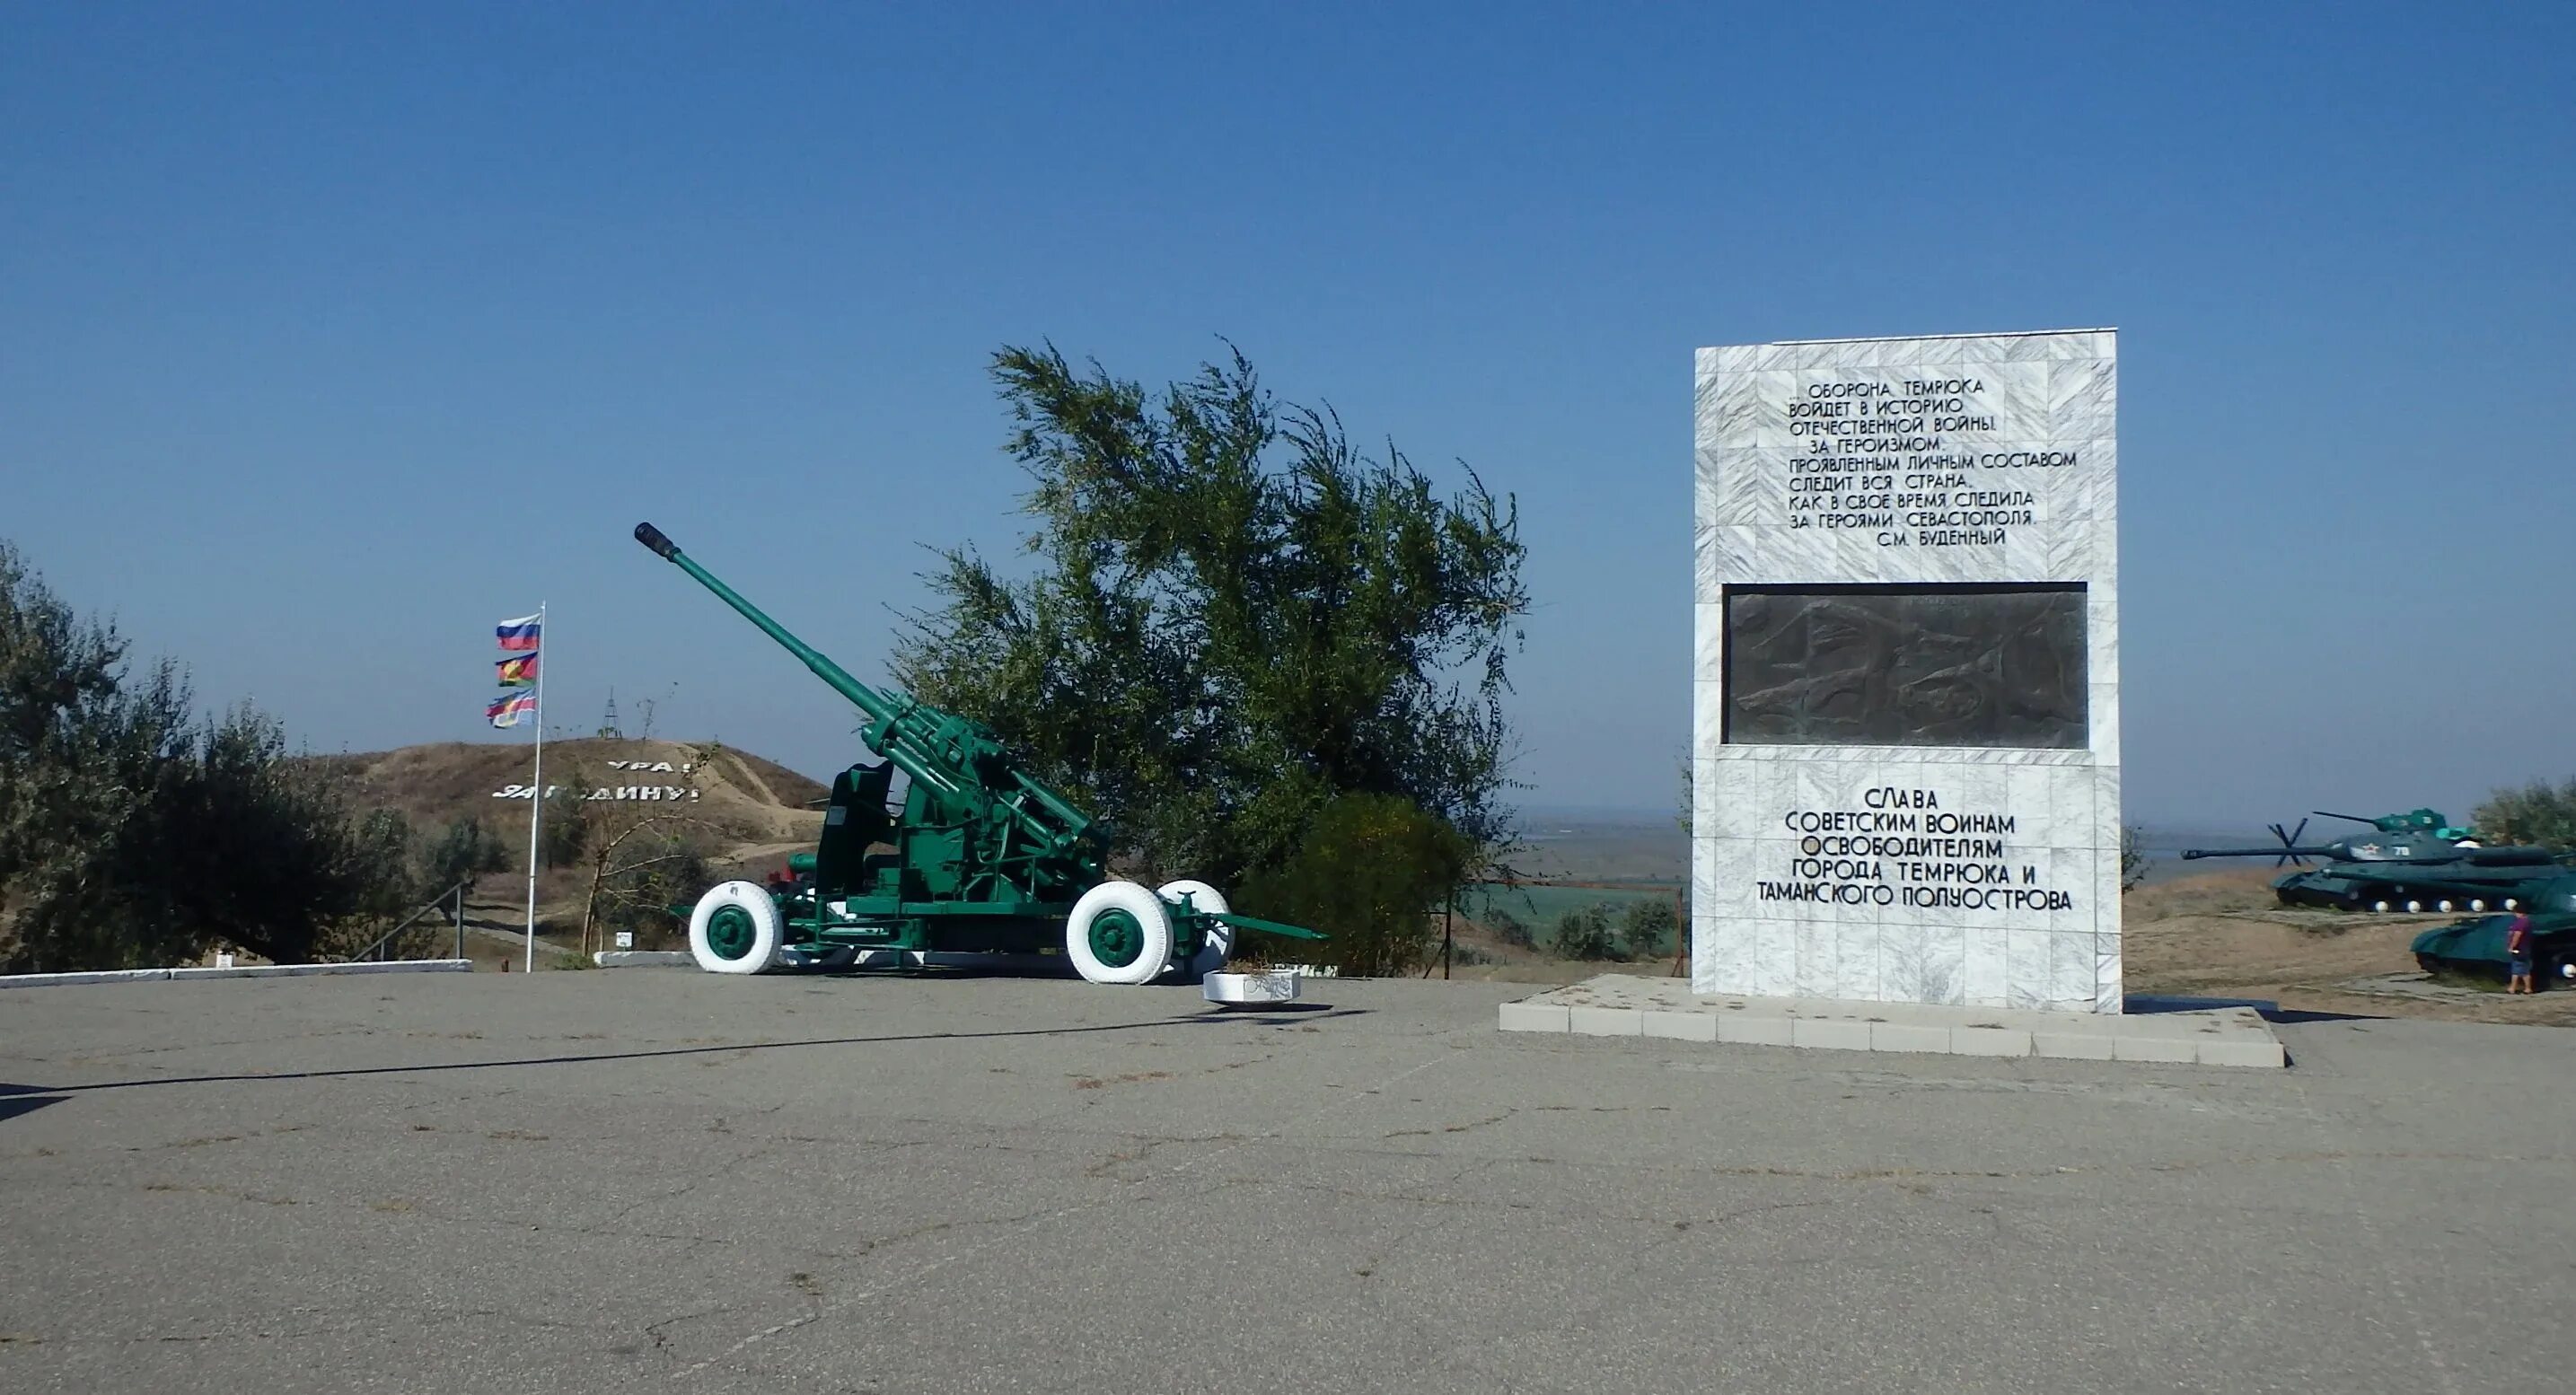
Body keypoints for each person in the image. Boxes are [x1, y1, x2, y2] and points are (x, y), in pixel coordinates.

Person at [2504, 910, 2535, 995]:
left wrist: (2511, 946)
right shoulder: (2528, 922)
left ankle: (2516, 988)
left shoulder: (2521, 922)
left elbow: (2517, 935)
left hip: (2519, 949)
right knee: (2522, 969)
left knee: (2518, 969)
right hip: (2526, 949)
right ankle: (2524, 988)